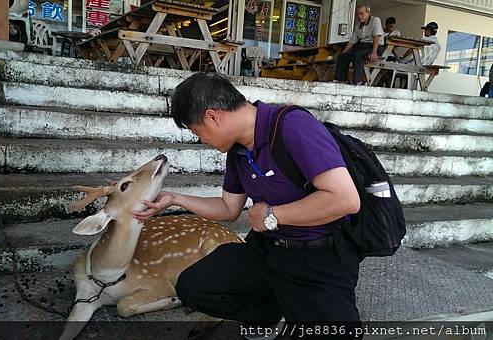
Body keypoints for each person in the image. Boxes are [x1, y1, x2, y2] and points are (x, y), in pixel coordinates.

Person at [134, 72, 362, 330]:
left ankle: (295, 302)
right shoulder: (238, 149)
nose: (202, 141)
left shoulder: (293, 125)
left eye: (198, 132)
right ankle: (269, 313)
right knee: (194, 287)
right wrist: (175, 199)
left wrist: (272, 216)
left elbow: (345, 199)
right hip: (266, 250)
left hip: (318, 256)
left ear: (212, 117)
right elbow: (229, 209)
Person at [334, 4, 385, 85]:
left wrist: (374, 52)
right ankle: (340, 79)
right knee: (343, 56)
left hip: (376, 46)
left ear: (368, 12)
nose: (359, 16)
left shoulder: (375, 20)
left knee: (358, 55)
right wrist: (344, 52)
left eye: (361, 13)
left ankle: (358, 81)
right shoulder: (358, 25)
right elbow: (352, 41)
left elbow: (376, 37)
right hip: (363, 46)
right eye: (358, 14)